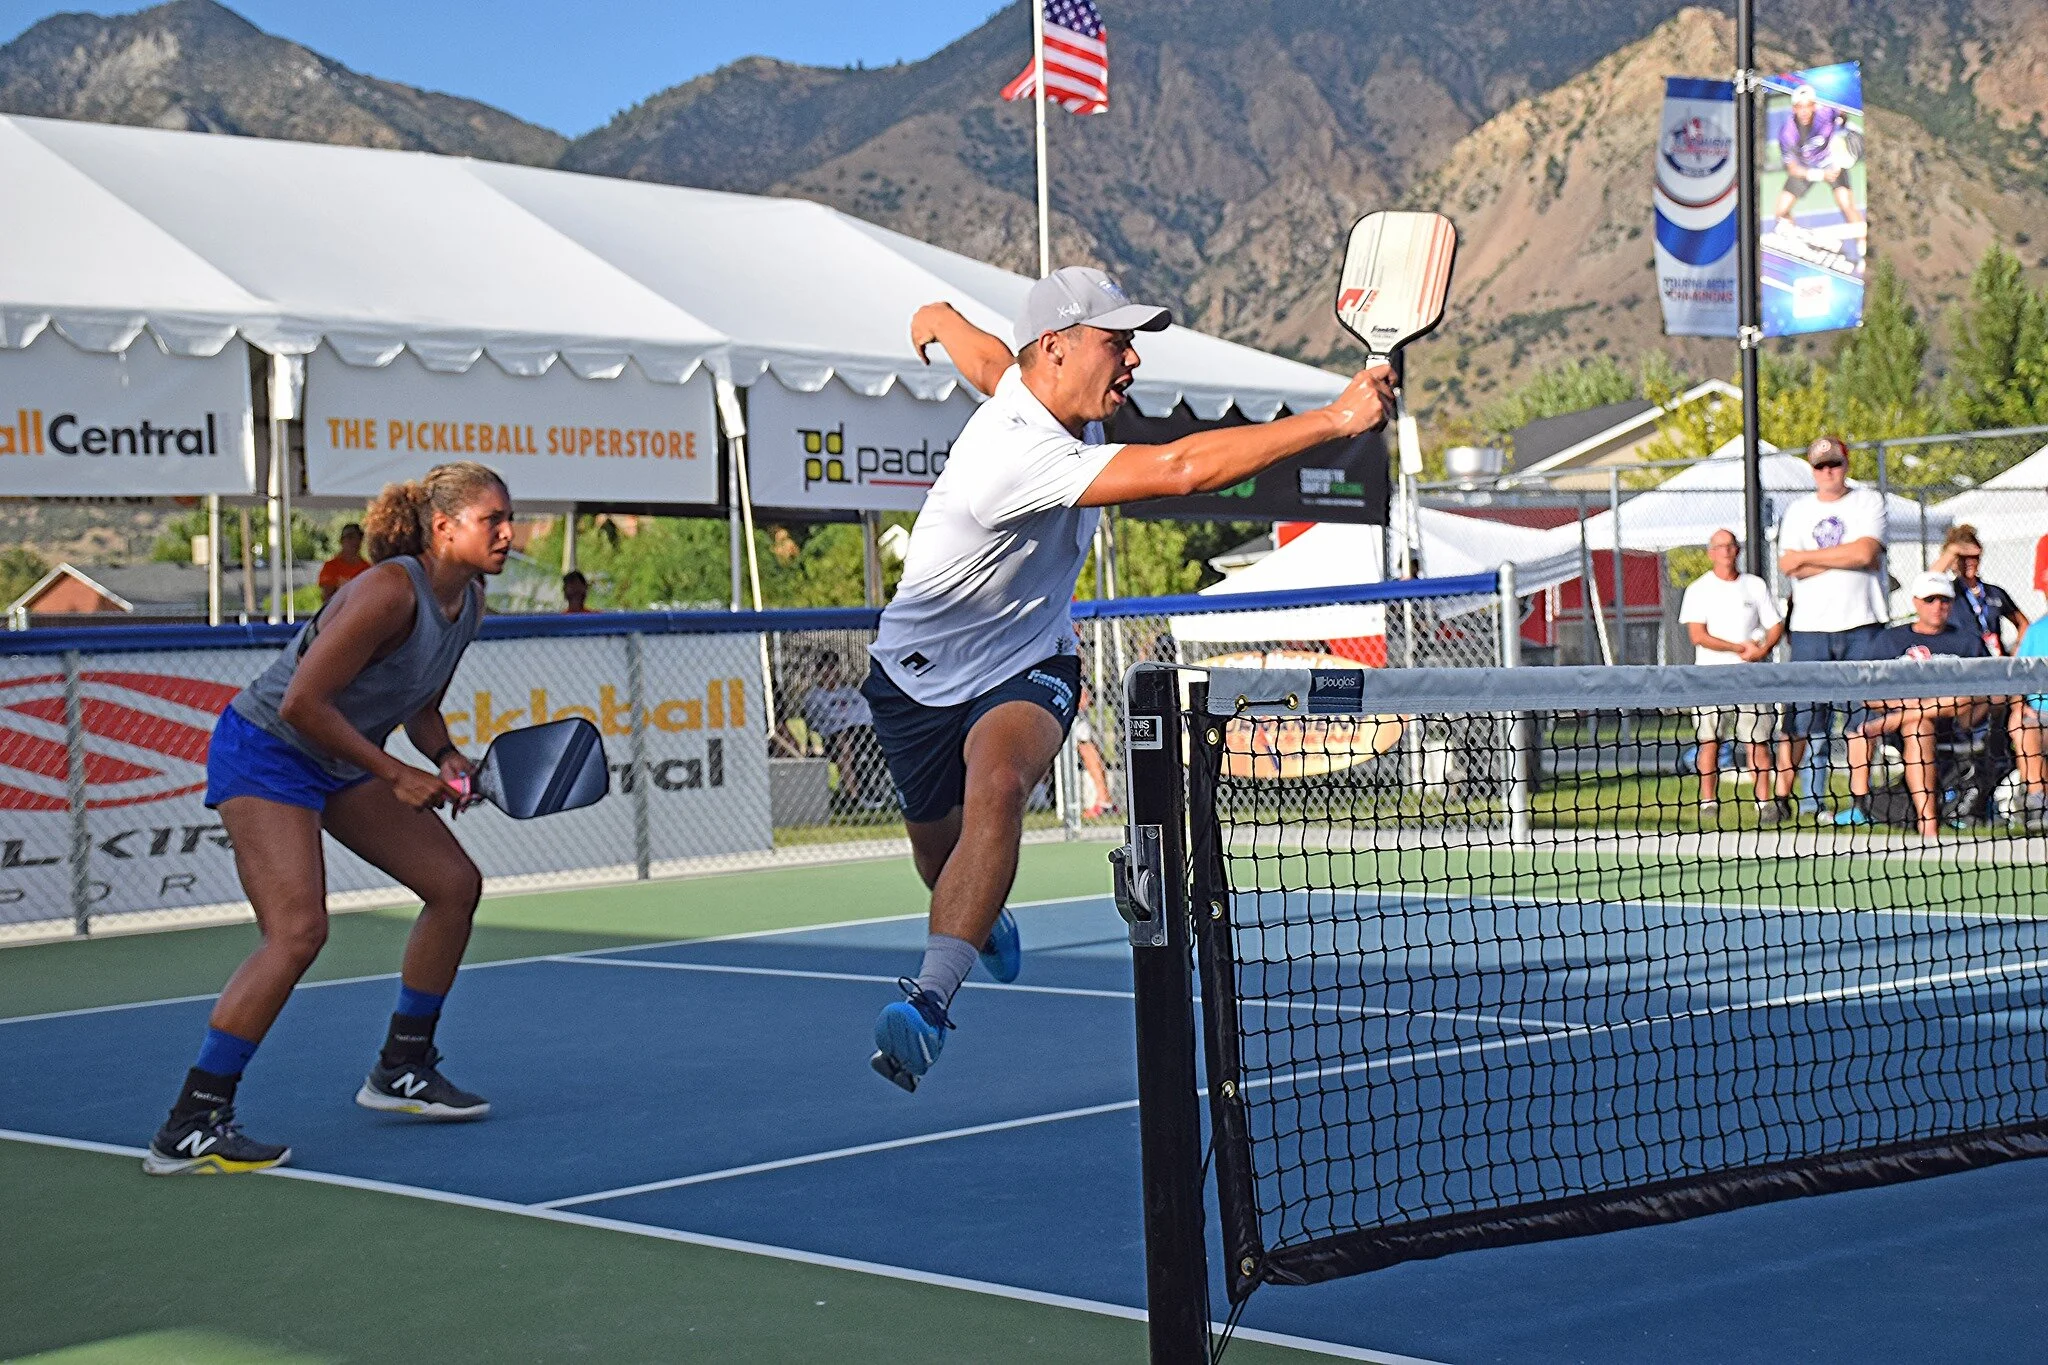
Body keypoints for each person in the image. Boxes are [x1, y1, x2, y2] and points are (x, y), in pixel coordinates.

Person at [859, 270, 1393, 1092]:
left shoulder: (1023, 385)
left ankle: (928, 1002)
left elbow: (988, 358)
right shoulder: (1016, 457)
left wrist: (938, 317)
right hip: (914, 679)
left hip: (1026, 659)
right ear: (1059, 349)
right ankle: (976, 906)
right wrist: (1334, 420)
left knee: (998, 784)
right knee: (942, 862)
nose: (1133, 360)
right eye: (1118, 342)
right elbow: (1181, 469)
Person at [143, 462, 512, 1175]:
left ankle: (402, 1067)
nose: (508, 532)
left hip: (343, 758)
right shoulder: (385, 591)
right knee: (299, 931)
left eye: (507, 517)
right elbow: (301, 704)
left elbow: (419, 701)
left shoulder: (468, 604)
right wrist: (395, 772)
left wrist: (444, 756)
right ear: (444, 528)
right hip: (268, 751)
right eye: (491, 519)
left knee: (454, 883)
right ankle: (191, 1120)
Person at [1777, 434, 1888, 816]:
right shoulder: (1797, 511)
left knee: (1861, 717)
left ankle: (1860, 800)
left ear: (1846, 465)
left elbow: (1866, 552)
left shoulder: (1868, 501)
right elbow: (1789, 564)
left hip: (1862, 625)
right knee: (1804, 719)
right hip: (1810, 630)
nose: (1828, 472)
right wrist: (1848, 556)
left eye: (1834, 464)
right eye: (1820, 466)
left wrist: (1811, 558)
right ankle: (1784, 800)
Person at [1835, 571, 1987, 838]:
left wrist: (1902, 714)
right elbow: (1868, 691)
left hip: (1956, 721)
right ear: (1916, 602)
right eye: (1930, 600)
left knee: (1958, 701)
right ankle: (1870, 808)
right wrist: (1903, 709)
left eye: (1944, 600)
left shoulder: (1968, 641)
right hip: (1903, 723)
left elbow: (1983, 692)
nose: (1938, 606)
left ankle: (1927, 820)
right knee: (1904, 726)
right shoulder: (1889, 640)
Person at [1679, 528, 1788, 822]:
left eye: (1730, 546)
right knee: (1709, 741)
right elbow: (1697, 635)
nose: (1726, 551)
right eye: (1719, 546)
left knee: (1757, 741)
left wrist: (1762, 649)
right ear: (1710, 552)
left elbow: (1775, 624)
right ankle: (1708, 801)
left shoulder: (1754, 586)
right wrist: (1739, 647)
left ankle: (1764, 802)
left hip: (1751, 679)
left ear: (1737, 550)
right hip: (1711, 680)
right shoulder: (1699, 589)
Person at [1770, 85, 1863, 259]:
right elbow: (1793, 169)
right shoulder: (1787, 133)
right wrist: (1820, 175)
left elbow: (1842, 113)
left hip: (1830, 161)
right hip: (1807, 167)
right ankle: (1796, 244)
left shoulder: (1826, 112)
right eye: (1800, 107)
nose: (1804, 111)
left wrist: (1843, 126)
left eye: (1808, 106)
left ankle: (1862, 250)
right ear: (1794, 109)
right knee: (1781, 212)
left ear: (1814, 106)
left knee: (1847, 205)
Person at [799, 651, 889, 811]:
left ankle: (882, 790)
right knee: (844, 745)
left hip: (862, 732)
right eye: (824, 669)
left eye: (832, 667)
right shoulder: (814, 696)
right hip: (834, 737)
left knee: (883, 739)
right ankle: (854, 798)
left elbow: (868, 717)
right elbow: (814, 725)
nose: (829, 672)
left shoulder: (851, 692)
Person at [1934, 524, 2028, 656]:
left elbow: (2023, 623)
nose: (1969, 562)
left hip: (1994, 662)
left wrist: (2017, 651)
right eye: (1963, 557)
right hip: (1962, 663)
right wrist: (1952, 550)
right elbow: (1930, 578)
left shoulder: (1995, 592)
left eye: (1974, 557)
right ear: (1953, 561)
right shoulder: (1948, 591)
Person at [317, 523, 370, 603]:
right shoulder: (330, 566)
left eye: (358, 537)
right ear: (341, 540)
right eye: (350, 537)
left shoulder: (368, 568)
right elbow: (327, 598)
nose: (354, 541)